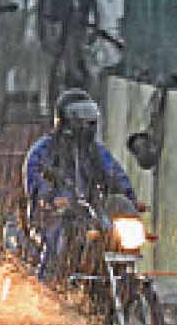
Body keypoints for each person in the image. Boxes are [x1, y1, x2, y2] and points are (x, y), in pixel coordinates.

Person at [22, 88, 137, 282]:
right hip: (51, 215)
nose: (86, 122)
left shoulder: (96, 151)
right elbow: (34, 176)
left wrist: (130, 198)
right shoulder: (44, 149)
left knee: (115, 238)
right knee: (56, 242)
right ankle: (45, 291)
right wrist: (50, 198)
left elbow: (115, 173)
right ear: (65, 119)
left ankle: (116, 282)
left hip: (91, 214)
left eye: (89, 115)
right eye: (80, 115)